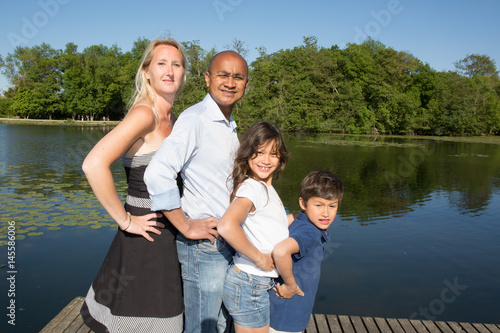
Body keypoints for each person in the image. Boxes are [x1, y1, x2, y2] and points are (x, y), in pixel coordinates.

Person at [80, 38, 187, 333]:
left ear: (183, 74)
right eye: (161, 63)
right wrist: (126, 221)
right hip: (146, 238)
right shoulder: (145, 114)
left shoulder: (175, 120)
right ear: (146, 72)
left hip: (171, 235)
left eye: (176, 64)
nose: (169, 70)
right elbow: (93, 164)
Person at [144, 50, 249, 333]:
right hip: (205, 248)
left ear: (246, 84)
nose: (230, 82)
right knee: (203, 327)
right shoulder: (195, 119)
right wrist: (185, 225)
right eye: (222, 75)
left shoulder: (228, 124)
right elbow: (157, 172)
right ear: (207, 79)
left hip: (227, 240)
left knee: (223, 323)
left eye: (238, 77)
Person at [217, 121, 292, 332]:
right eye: (259, 153)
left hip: (252, 283)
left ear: (281, 157)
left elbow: (269, 226)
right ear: (248, 153)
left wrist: (299, 217)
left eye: (273, 154)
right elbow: (226, 225)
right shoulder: (253, 187)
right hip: (251, 282)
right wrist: (259, 258)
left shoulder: (266, 188)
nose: (265, 160)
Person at [269, 170, 344, 333]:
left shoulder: (300, 218)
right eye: (318, 205)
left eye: (332, 206)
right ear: (303, 203)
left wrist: (296, 214)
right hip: (289, 314)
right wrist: (290, 285)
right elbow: (281, 251)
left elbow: (279, 222)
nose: (326, 213)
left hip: (276, 309)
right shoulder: (310, 232)